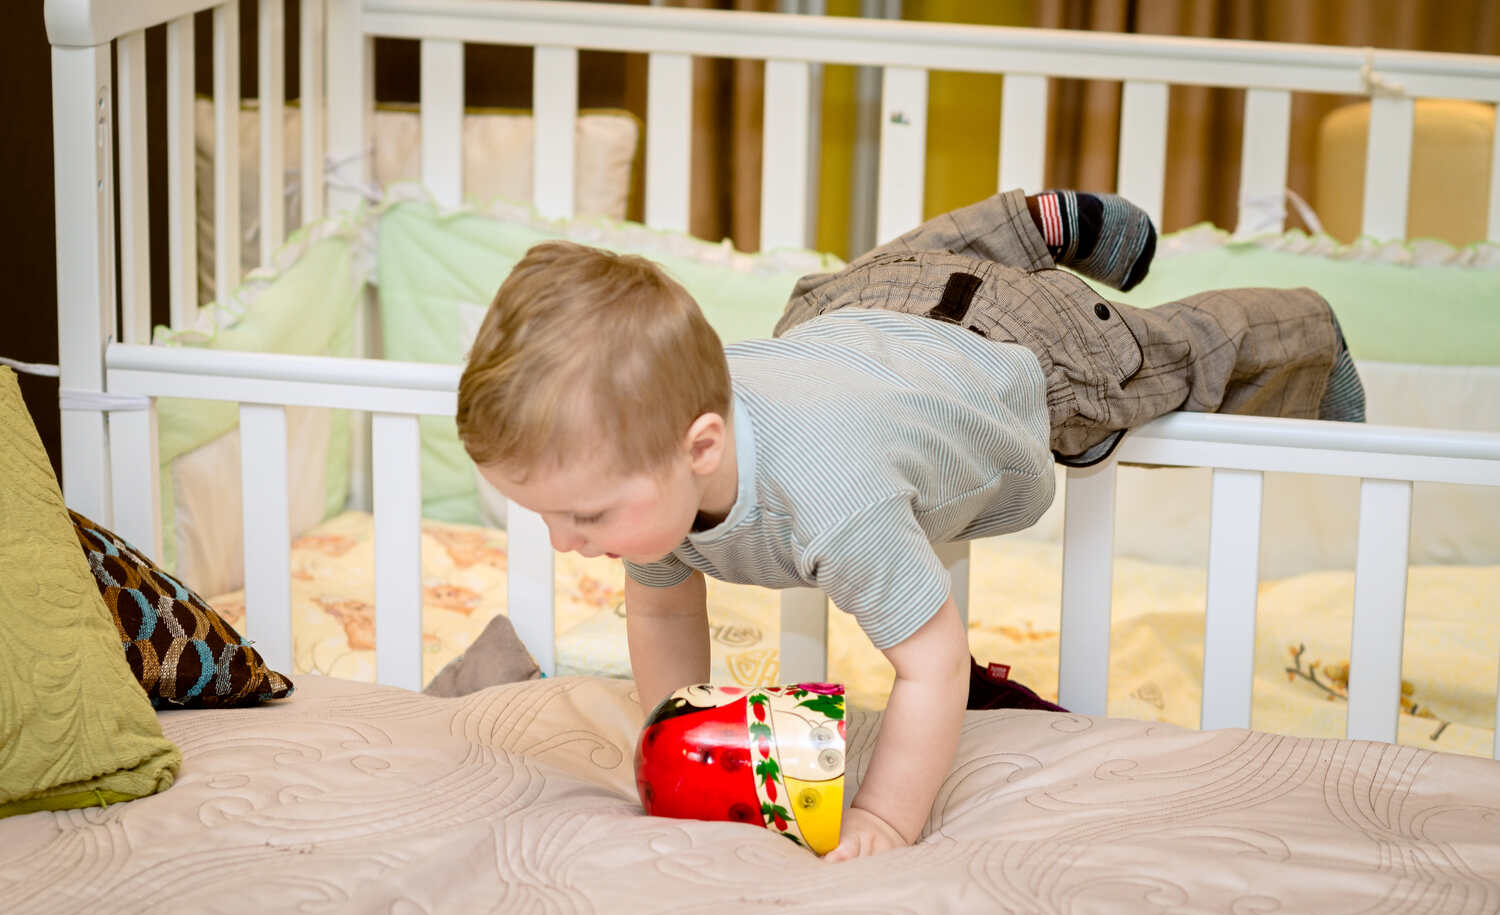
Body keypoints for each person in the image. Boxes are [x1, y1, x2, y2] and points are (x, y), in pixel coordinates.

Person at [455, 189, 1364, 862]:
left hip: (1022, 350)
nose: (564, 541)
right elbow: (660, 614)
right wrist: (671, 744)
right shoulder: (658, 461)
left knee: (1150, 363)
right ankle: (1028, 226)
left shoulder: (838, 503)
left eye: (583, 516)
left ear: (700, 448)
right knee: (903, 277)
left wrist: (885, 818)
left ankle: (1298, 334)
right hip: (844, 316)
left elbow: (933, 663)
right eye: (545, 517)